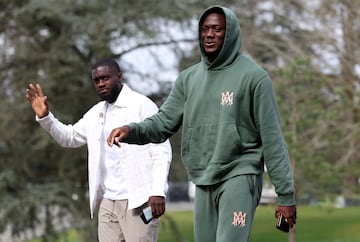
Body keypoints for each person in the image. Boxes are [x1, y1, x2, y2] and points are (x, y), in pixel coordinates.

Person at [107, 5, 297, 242]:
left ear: (230, 34)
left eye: (217, 29)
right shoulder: (188, 79)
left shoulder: (254, 78)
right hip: (203, 177)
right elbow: (163, 122)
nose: (209, 34)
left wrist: (285, 195)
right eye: (205, 29)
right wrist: (131, 131)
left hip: (240, 173)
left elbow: (272, 139)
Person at [25, 58, 172, 242]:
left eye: (105, 78)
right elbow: (69, 137)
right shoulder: (96, 113)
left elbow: (161, 150)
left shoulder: (142, 105)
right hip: (108, 202)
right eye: (97, 80)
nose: (101, 84)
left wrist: (158, 191)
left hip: (139, 202)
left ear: (119, 77)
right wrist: (46, 117)